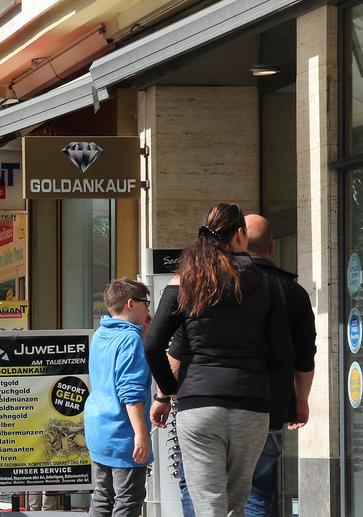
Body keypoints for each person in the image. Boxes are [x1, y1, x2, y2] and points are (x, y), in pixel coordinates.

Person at [144, 204, 290, 517]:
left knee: (208, 506)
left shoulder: (185, 282)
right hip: (251, 405)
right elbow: (282, 352)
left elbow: (153, 344)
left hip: (198, 405)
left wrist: (170, 391)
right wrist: (278, 410)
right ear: (240, 235)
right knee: (236, 506)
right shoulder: (266, 282)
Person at [240, 214, 315, 516]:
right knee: (258, 493)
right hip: (270, 407)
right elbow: (305, 355)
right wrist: (301, 400)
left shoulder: (222, 285)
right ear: (272, 249)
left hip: (222, 406)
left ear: (238, 241)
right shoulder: (293, 291)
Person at [86, 278, 153, 517]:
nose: (149, 309)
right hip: (123, 433)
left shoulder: (101, 333)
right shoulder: (129, 339)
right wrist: (141, 433)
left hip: (99, 429)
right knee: (128, 500)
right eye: (146, 302)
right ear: (131, 303)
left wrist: (143, 334)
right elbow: (130, 390)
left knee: (103, 497)